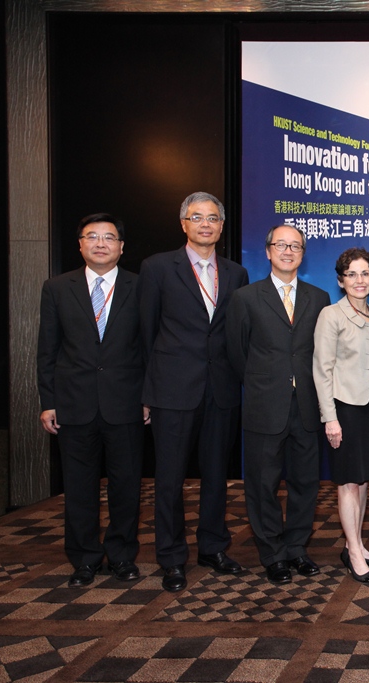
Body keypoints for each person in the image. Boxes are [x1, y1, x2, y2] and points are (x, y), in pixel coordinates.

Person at [140, 191, 249, 592]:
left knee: (216, 475)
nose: (206, 224)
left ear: (221, 226)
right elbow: (146, 333)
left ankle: (212, 547)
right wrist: (147, 393)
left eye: (213, 218)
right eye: (197, 217)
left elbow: (234, 335)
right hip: (172, 391)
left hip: (220, 390)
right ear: (183, 223)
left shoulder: (235, 273)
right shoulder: (157, 268)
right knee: (168, 479)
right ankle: (171, 557)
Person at [37, 213, 146, 588]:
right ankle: (84, 558)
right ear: (80, 244)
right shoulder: (57, 287)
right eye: (92, 237)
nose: (101, 243)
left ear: (121, 247)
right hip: (74, 403)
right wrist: (48, 401)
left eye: (109, 237)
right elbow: (46, 351)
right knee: (79, 487)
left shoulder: (140, 286)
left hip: (127, 403)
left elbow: (149, 348)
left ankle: (121, 555)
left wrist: (148, 397)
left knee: (126, 486)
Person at [227, 225, 330, 585]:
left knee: (306, 483)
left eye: (295, 246)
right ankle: (272, 553)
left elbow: (321, 353)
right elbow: (237, 354)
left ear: (303, 253)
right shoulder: (245, 298)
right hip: (263, 405)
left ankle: (297, 548)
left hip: (306, 405)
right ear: (268, 251)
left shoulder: (319, 298)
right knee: (262, 484)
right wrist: (264, 383)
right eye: (281, 245)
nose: (288, 251)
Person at [313, 247, 369, 584]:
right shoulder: (331, 315)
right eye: (352, 274)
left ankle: (355, 543)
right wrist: (329, 418)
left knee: (363, 482)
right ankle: (354, 553)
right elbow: (321, 370)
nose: (359, 280)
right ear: (341, 280)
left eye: (365, 274)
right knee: (347, 482)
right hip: (345, 408)